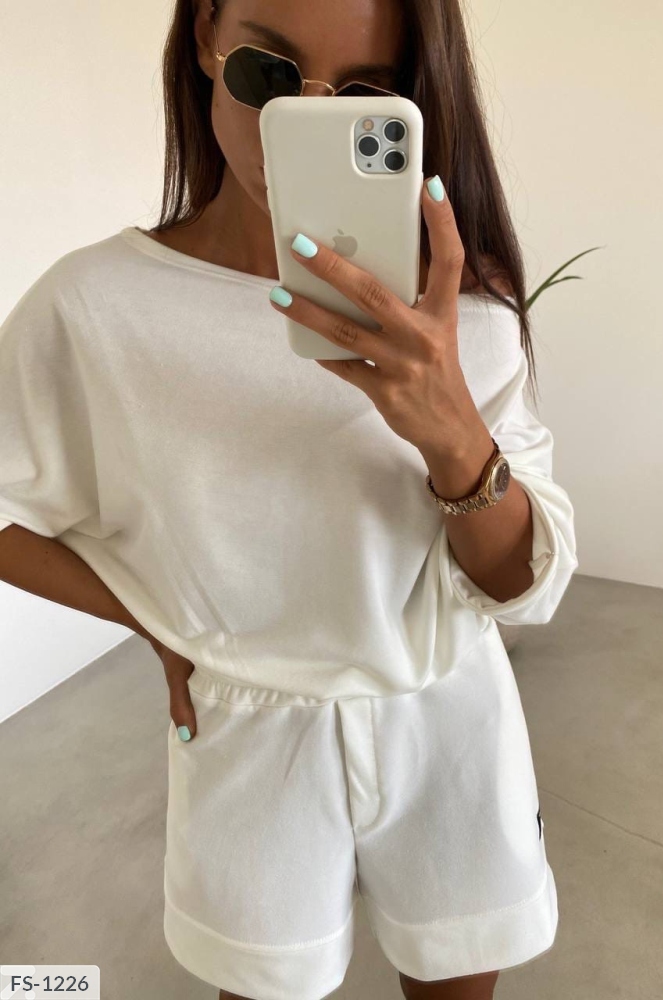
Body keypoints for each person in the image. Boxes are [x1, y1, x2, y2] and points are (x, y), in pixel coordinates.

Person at [0, 1, 579, 998]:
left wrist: (452, 431)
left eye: (364, 94)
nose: (296, 122)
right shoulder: (95, 304)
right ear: (204, 40)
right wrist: (154, 623)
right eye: (267, 73)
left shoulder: (461, 311)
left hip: (450, 720)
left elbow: (525, 588)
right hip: (246, 735)